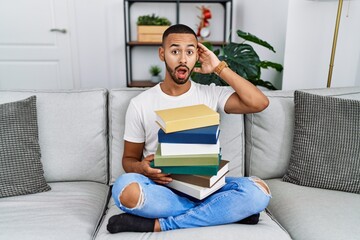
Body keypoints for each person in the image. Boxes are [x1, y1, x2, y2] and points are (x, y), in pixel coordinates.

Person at [107, 24, 271, 233]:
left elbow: (259, 103)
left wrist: (219, 67)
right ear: (162, 54)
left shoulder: (211, 94)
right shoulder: (140, 104)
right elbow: (128, 160)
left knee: (259, 192)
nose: (183, 59)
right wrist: (141, 169)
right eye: (175, 51)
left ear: (198, 56)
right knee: (124, 190)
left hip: (207, 186)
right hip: (163, 189)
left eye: (190, 52)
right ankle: (221, 212)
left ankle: (161, 224)